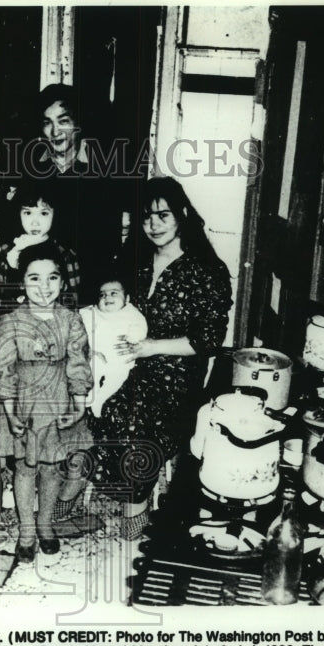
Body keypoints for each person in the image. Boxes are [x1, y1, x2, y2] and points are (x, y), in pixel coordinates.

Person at [58, 176, 233, 540]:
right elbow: (104, 306)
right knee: (82, 397)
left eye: (162, 216)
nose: (153, 225)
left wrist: (152, 347)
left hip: (174, 369)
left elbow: (209, 341)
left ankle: (133, 511)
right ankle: (64, 502)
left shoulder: (207, 270)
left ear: (182, 214)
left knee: (130, 413)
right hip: (120, 360)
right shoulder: (133, 260)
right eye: (146, 217)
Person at [0, 242, 93, 561]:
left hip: (59, 400)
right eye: (34, 278)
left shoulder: (71, 320)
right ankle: (25, 529)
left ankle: (45, 523)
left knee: (51, 470)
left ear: (62, 283)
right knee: (24, 468)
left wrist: (78, 405)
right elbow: (4, 369)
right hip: (23, 402)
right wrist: (9, 413)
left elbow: (78, 363)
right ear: (22, 282)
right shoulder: (10, 321)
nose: (44, 287)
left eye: (52, 278)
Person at [28, 83, 132, 301]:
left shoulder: (106, 172)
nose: (55, 132)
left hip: (88, 292)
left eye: (63, 121)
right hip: (41, 291)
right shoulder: (31, 172)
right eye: (47, 123)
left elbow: (110, 244)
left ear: (78, 124)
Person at [0, 180, 81, 343]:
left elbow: (72, 306)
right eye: (27, 213)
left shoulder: (65, 255)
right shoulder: (6, 251)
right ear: (18, 214)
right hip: (13, 336)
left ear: (55, 214)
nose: (35, 222)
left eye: (43, 213)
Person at [79, 276, 148, 418]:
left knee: (117, 378)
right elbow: (80, 322)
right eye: (102, 294)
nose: (107, 297)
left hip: (119, 357)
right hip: (96, 354)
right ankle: (91, 393)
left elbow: (140, 325)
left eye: (114, 293)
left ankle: (100, 399)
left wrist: (135, 335)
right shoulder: (93, 311)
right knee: (91, 370)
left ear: (127, 299)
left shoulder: (131, 312)